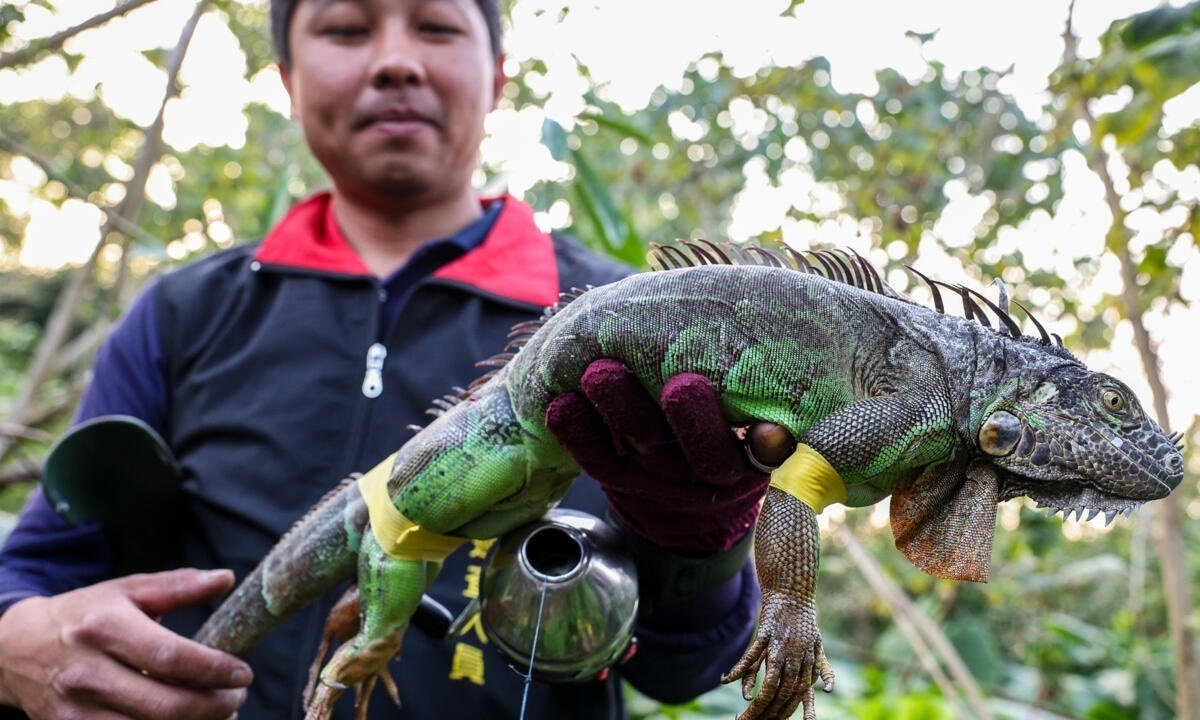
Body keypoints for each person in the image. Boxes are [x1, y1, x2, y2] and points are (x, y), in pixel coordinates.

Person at [0, 0, 770, 717]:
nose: (396, 62)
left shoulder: (630, 320)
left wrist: (701, 536)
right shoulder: (183, 312)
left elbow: (683, 669)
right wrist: (16, 640)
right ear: (288, 82)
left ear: (498, 76)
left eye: (435, 26)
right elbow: (38, 567)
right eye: (346, 28)